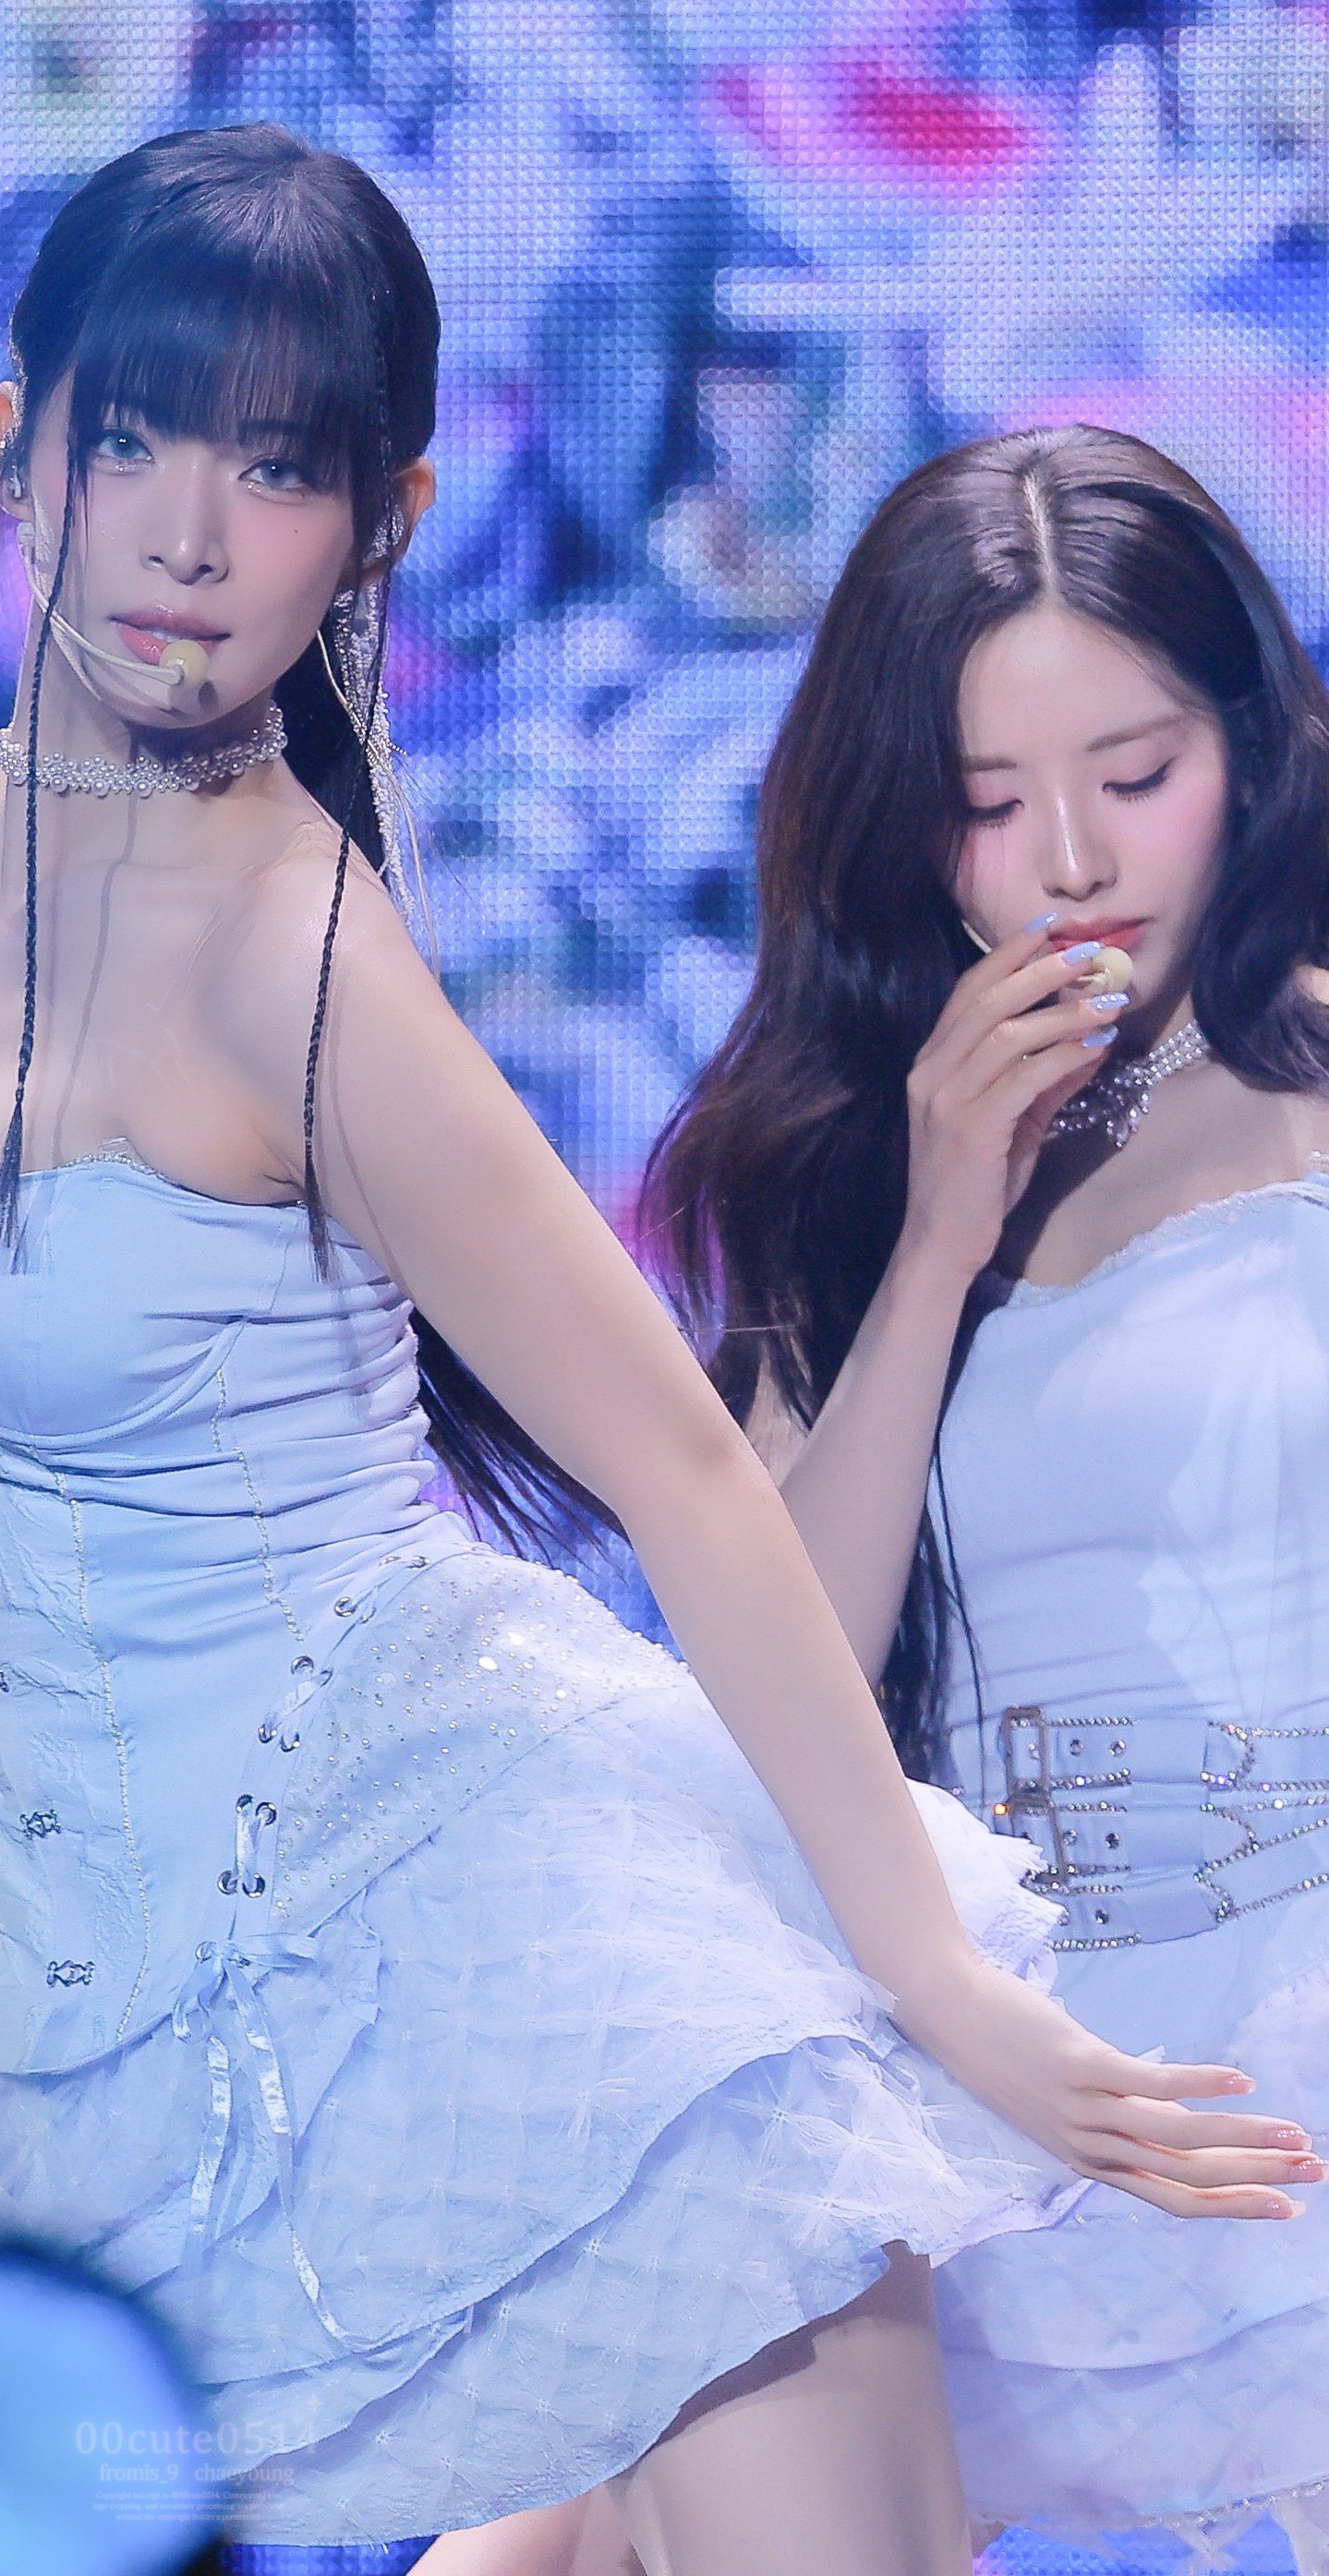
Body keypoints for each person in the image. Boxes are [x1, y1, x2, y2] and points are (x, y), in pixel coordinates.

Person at [0, 146, 1311, 2576]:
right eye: (131, 438)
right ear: (15, 443)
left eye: (275, 468)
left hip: (471, 1936)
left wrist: (933, 1983)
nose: (184, 534)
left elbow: (682, 1472)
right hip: (71, 2038)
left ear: (375, 528)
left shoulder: (298, 953)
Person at [646, 425, 1329, 2566]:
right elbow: (769, 1697)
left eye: (1137, 774)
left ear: (1249, 753)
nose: (1077, 862)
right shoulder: (841, 1173)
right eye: (992, 801)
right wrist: (940, 1235)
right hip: (1002, 2062)